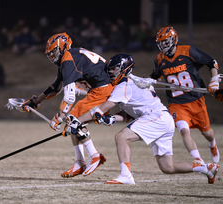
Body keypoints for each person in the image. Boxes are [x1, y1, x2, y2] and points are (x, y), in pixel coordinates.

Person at [73, 54, 220, 184]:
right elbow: (129, 114)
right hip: (162, 119)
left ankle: (126, 175)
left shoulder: (124, 85)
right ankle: (207, 168)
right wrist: (112, 119)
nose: (110, 72)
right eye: (110, 69)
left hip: (157, 117)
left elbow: (101, 109)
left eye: (114, 68)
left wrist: (77, 121)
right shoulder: (131, 83)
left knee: (121, 137)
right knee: (167, 167)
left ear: (125, 68)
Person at [21, 32, 114, 177]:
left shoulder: (68, 60)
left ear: (63, 47)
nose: (52, 56)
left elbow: (69, 95)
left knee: (72, 119)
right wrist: (35, 101)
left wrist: (60, 116)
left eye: (54, 51)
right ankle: (80, 162)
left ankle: (94, 156)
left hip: (102, 90)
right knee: (73, 121)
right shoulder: (68, 58)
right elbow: (56, 87)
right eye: (50, 53)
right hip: (98, 89)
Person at [150, 26, 220, 165]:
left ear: (173, 39)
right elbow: (155, 76)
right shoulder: (159, 59)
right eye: (161, 42)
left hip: (196, 100)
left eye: (166, 41)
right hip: (176, 103)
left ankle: (212, 144)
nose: (163, 45)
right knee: (184, 132)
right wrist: (149, 84)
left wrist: (214, 80)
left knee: (207, 133)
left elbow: (212, 62)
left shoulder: (187, 51)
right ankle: (199, 161)